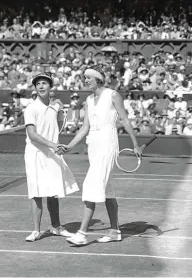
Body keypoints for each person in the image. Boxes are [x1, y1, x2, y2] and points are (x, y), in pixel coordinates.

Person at [58, 65, 142, 245]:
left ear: (98, 79)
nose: (85, 80)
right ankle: (114, 231)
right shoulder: (88, 99)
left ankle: (82, 233)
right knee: (106, 189)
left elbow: (125, 120)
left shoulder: (113, 95)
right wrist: (70, 145)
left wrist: (135, 144)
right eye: (85, 78)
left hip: (107, 142)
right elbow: (85, 127)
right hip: (93, 145)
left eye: (88, 77)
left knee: (91, 184)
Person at [24, 72, 79, 242]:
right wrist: (53, 144)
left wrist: (61, 108)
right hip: (35, 154)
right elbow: (32, 135)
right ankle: (36, 230)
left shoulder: (55, 106)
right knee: (37, 193)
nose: (41, 86)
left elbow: (62, 122)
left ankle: (56, 227)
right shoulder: (31, 108)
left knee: (54, 192)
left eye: (44, 83)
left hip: (52, 153)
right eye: (38, 84)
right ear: (35, 87)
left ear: (50, 87)